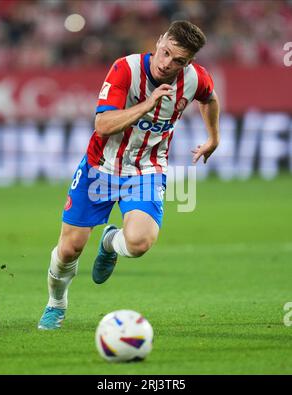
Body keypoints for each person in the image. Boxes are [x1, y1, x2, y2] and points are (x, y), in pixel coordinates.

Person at [38, 20, 220, 330]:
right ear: (160, 41)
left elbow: (210, 98)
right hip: (100, 167)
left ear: (189, 62)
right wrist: (147, 105)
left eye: (179, 61)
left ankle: (110, 242)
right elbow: (103, 125)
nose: (167, 64)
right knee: (69, 249)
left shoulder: (194, 79)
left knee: (139, 243)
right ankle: (56, 303)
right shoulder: (126, 69)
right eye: (165, 53)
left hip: (147, 169)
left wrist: (214, 137)